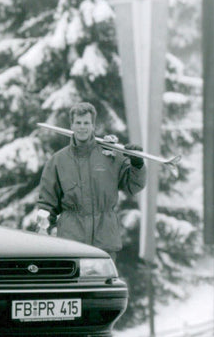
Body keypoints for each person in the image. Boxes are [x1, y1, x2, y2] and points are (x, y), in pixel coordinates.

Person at [34, 102, 147, 260]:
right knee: (74, 277)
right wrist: (43, 231)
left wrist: (137, 164)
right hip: (71, 243)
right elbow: (46, 204)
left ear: (93, 126)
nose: (82, 127)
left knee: (102, 277)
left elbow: (134, 186)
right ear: (72, 125)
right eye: (78, 123)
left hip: (104, 243)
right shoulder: (58, 161)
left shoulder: (110, 156)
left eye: (86, 123)